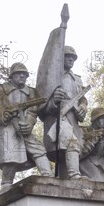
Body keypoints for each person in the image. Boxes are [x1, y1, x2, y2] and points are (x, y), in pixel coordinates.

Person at [0, 62, 53, 189]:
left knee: (39, 150)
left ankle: (48, 176)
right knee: (11, 157)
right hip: (7, 127)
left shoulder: (31, 93)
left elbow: (33, 111)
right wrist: (3, 115)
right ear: (12, 76)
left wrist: (29, 123)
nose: (22, 76)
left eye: (24, 74)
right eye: (19, 73)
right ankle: (6, 184)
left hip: (24, 126)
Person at [40, 46, 88, 179]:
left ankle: (71, 176)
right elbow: (40, 102)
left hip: (73, 118)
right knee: (70, 143)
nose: (71, 60)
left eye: (73, 58)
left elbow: (83, 98)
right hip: (57, 118)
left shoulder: (77, 79)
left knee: (72, 145)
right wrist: (53, 101)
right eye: (68, 57)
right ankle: (74, 175)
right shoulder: (51, 77)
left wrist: (83, 106)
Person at [80, 107, 104, 183]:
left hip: (101, 163)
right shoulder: (83, 131)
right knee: (97, 181)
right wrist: (93, 141)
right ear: (95, 120)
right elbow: (81, 152)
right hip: (86, 162)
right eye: (102, 117)